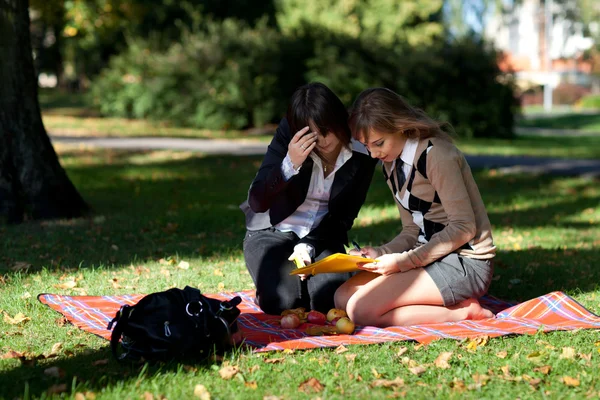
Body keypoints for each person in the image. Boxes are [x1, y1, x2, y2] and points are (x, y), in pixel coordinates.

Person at [334, 88, 496, 327]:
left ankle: (463, 312)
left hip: (465, 262)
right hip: (428, 257)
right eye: (366, 145)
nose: (373, 153)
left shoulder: (436, 154)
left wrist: (402, 263)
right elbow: (412, 230)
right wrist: (382, 253)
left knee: (360, 311)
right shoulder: (390, 163)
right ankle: (432, 303)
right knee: (342, 298)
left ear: (401, 126)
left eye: (378, 143)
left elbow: (464, 227)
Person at [240, 82, 377, 315]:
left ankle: (310, 278)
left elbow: (344, 217)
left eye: (326, 130)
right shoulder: (288, 135)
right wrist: (289, 164)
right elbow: (258, 201)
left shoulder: (362, 150)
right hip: (272, 230)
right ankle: (273, 283)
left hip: (321, 236)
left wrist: (309, 245)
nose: (322, 141)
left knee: (328, 301)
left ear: (339, 120)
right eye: (313, 135)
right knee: (284, 304)